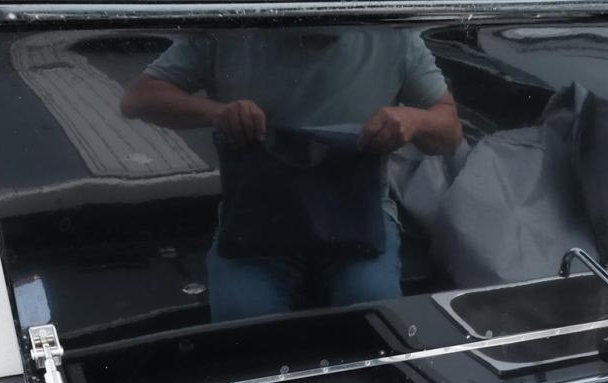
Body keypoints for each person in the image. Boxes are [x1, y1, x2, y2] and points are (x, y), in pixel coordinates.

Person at [120, 30, 462, 321]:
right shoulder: (229, 33)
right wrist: (217, 113)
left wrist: (414, 120)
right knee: (242, 317)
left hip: (358, 215)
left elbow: (450, 131)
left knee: (373, 310)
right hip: (256, 216)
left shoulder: (394, 37)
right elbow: (139, 98)